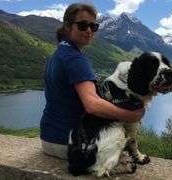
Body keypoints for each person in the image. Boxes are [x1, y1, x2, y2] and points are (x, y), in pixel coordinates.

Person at [40, 3, 145, 160]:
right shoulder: (75, 59)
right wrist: (132, 116)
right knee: (121, 136)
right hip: (70, 142)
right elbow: (92, 105)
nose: (88, 31)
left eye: (93, 26)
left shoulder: (59, 53)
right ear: (68, 26)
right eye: (82, 25)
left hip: (49, 137)